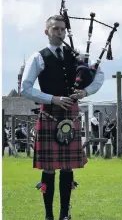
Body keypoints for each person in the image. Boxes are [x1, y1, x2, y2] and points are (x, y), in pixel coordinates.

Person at [21, 15, 104, 220]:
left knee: (67, 168)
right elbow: (25, 88)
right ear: (47, 31)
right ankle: (49, 216)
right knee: (49, 168)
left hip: (71, 116)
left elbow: (98, 74)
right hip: (50, 114)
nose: (60, 33)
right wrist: (52, 98)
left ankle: (64, 215)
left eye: (63, 29)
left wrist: (86, 92)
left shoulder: (76, 55)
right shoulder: (38, 57)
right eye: (56, 29)